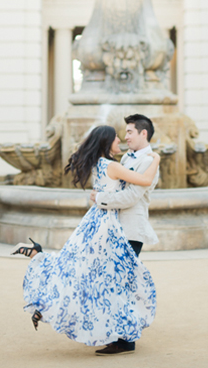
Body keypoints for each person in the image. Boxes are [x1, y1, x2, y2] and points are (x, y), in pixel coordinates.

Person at [10, 125, 160, 352]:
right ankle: (122, 336)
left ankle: (41, 267)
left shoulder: (98, 165)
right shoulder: (112, 165)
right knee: (103, 278)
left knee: (81, 271)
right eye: (116, 137)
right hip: (107, 225)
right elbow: (145, 180)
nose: (120, 139)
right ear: (107, 142)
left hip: (95, 221)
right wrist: (157, 159)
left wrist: (100, 196)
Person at [89, 113, 159, 356]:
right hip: (115, 228)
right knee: (113, 281)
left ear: (143, 134)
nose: (125, 136)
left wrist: (100, 199)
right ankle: (118, 335)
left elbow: (131, 197)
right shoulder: (125, 158)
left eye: (130, 132)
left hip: (131, 229)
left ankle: (126, 340)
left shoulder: (149, 162)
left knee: (121, 283)